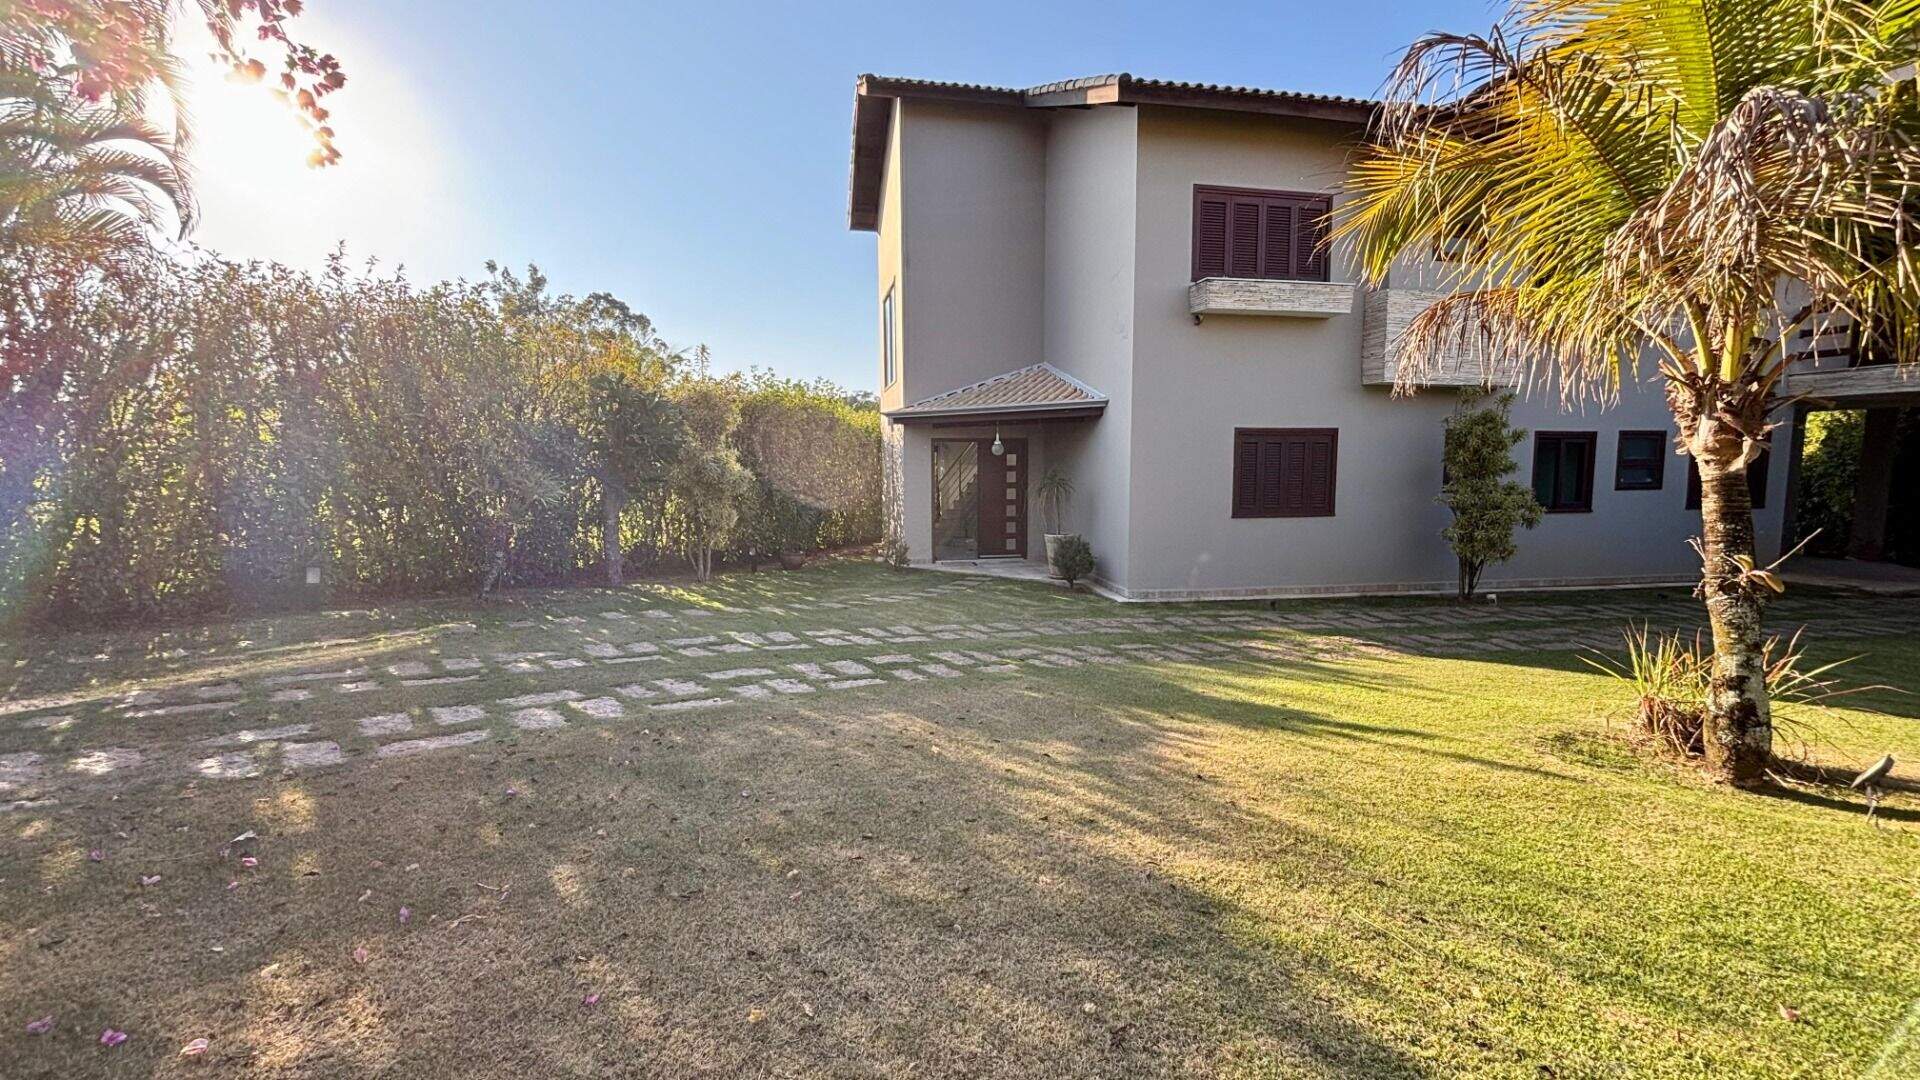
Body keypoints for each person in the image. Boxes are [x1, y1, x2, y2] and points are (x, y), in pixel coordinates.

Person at [479, 516, 514, 599]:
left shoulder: (502, 535)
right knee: (492, 573)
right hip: (495, 555)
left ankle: (490, 592)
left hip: (499, 554)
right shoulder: (495, 536)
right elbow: (494, 546)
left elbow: (505, 545)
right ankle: (484, 592)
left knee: (497, 573)